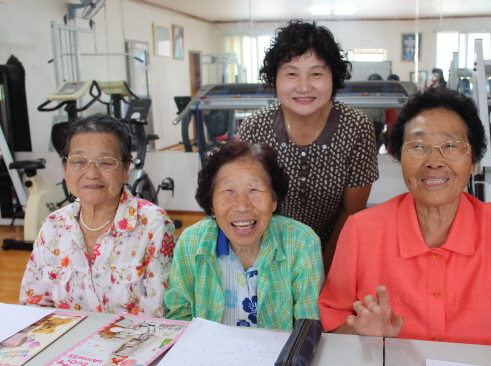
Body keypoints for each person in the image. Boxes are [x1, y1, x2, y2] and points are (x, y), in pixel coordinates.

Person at [318, 88, 491, 349]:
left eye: (450, 146)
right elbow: (332, 323)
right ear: (399, 158)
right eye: (418, 146)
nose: (434, 161)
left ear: (473, 162)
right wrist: (361, 333)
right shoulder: (361, 230)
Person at [238, 20, 379, 273]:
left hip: (335, 251)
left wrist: (321, 270)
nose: (304, 86)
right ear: (275, 79)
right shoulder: (254, 128)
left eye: (316, 73)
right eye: (291, 73)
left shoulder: (357, 127)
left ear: (333, 77)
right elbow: (247, 206)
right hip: (268, 254)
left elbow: (352, 213)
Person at [20, 114, 175, 318]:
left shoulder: (152, 225)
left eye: (105, 162)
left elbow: (157, 314)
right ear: (65, 168)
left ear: (126, 168)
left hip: (129, 346)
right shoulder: (53, 226)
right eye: (78, 161)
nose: (92, 173)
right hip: (63, 342)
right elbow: (33, 304)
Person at [165, 141, 324, 330]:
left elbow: (308, 328)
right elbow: (179, 319)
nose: (242, 206)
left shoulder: (301, 243)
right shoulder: (191, 242)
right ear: (211, 203)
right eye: (228, 191)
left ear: (273, 200)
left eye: (254, 190)